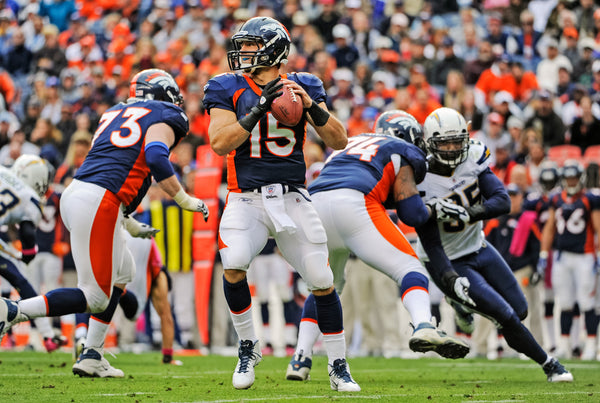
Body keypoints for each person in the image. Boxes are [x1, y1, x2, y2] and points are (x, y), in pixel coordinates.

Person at [0, 68, 209, 377]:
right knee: (95, 297)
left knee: (124, 270)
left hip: (81, 194)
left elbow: (119, 166)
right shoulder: (165, 114)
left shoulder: (114, 112)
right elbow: (154, 156)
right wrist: (183, 198)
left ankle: (92, 354)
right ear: (161, 94)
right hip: (100, 201)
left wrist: (127, 221)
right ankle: (13, 310)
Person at [203, 16, 356, 392]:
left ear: (273, 49)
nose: (242, 52)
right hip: (246, 199)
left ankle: (338, 365)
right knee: (234, 261)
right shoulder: (227, 87)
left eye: (251, 45)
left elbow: (340, 141)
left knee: (322, 279)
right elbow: (220, 142)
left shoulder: (303, 85)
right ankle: (247, 346)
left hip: (292, 197)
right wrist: (258, 108)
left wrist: (312, 108)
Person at [285, 110, 473, 382]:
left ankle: (300, 357)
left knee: (326, 286)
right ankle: (423, 323)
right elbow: (411, 213)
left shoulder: (348, 144)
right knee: (411, 269)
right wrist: (434, 210)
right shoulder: (401, 149)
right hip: (353, 204)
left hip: (314, 208)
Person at [418, 107, 573, 382]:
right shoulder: (420, 177)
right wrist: (449, 278)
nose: (453, 148)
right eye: (445, 143)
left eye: (457, 141)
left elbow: (501, 199)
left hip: (479, 246)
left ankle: (461, 305)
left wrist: (469, 213)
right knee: (506, 316)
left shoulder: (473, 158)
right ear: (430, 142)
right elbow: (430, 243)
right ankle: (550, 365)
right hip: (450, 260)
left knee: (520, 309)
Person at [74, 231, 182, 366]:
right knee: (133, 312)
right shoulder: (159, 275)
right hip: (137, 251)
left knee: (92, 293)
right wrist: (168, 356)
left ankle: (81, 334)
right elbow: (166, 317)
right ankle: (120, 291)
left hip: (122, 234)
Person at [0, 154, 66, 352]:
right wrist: (28, 253)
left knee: (19, 279)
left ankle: (47, 336)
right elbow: (27, 231)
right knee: (21, 281)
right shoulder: (30, 197)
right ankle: (47, 336)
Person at [538, 159, 600, 361]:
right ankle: (564, 344)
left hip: (585, 256)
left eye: (574, 178)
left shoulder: (590, 199)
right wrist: (544, 254)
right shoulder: (556, 199)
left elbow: (598, 227)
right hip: (562, 256)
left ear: (580, 178)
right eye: (568, 178)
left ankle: (591, 344)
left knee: (586, 301)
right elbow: (549, 228)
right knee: (564, 302)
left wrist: (598, 254)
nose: (571, 182)